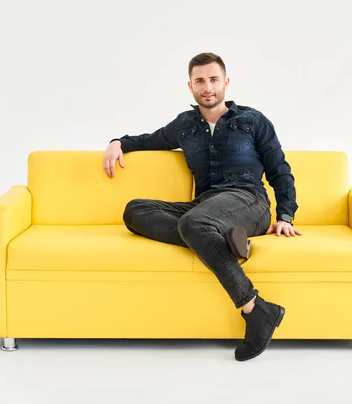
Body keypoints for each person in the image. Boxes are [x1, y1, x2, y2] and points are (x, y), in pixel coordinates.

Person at [102, 52, 301, 361]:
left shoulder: (252, 120)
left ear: (226, 83)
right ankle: (222, 242)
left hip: (249, 201)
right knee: (135, 211)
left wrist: (285, 214)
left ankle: (255, 308)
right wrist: (119, 142)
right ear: (190, 86)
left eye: (213, 80)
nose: (207, 87)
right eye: (200, 81)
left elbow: (279, 169)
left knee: (194, 224)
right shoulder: (185, 125)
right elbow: (148, 140)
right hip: (206, 205)